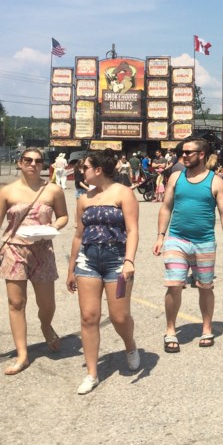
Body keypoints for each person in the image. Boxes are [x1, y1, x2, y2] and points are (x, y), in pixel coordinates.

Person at [0, 148, 69, 375]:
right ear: (19, 163)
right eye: (28, 160)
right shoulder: (7, 191)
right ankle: (22, 354)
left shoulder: (53, 190)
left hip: (43, 250)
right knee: (16, 303)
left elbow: (63, 216)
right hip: (14, 250)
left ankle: (46, 325)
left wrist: (54, 226)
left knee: (47, 304)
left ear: (43, 165)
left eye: (37, 161)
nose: (33, 164)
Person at [66, 149, 140, 394]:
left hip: (116, 257)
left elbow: (133, 230)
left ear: (98, 170)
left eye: (84, 167)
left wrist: (129, 260)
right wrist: (71, 268)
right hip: (88, 259)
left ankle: (130, 345)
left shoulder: (123, 193)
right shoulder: (84, 198)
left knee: (119, 316)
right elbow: (78, 234)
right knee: (89, 316)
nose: (81, 171)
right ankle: (92, 373)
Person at [154, 137, 223, 353]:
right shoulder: (175, 177)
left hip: (204, 242)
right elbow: (166, 207)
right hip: (176, 239)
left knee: (205, 287)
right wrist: (161, 235)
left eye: (189, 152)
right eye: (183, 152)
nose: (184, 155)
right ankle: (170, 330)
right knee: (173, 284)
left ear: (201, 155)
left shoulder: (215, 181)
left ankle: (207, 329)